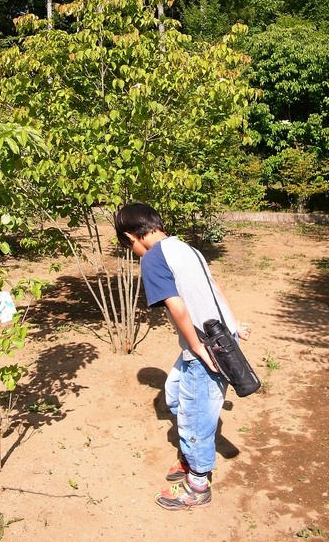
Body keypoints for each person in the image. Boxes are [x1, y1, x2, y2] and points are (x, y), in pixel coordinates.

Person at [114, 202, 251, 510]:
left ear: (130, 237)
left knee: (194, 417)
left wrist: (199, 347)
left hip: (207, 348)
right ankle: (191, 457)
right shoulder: (187, 248)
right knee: (175, 394)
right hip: (218, 338)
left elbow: (177, 307)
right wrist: (234, 323)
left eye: (129, 246)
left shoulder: (152, 259)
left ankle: (198, 486)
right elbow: (213, 288)